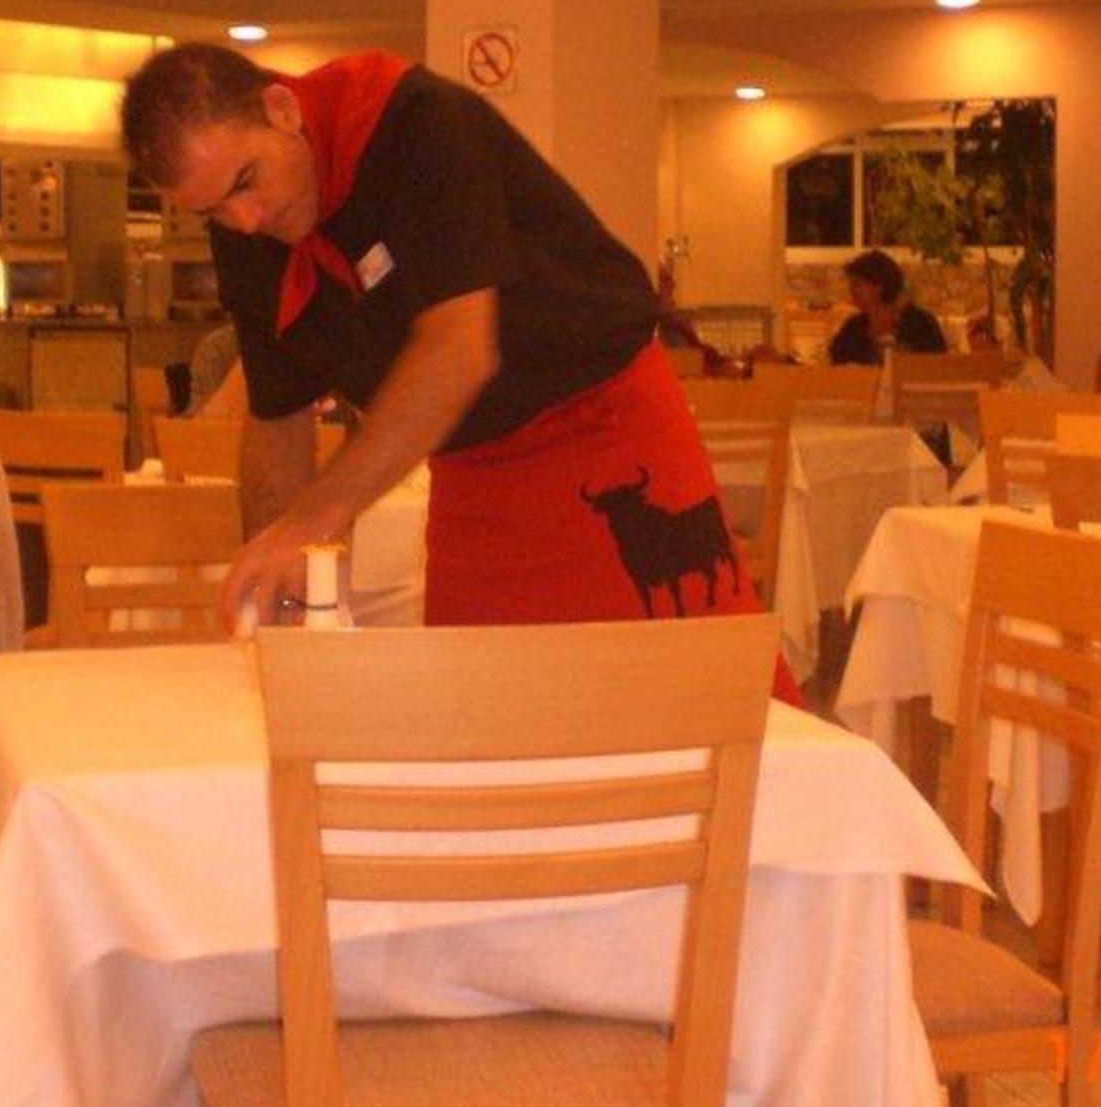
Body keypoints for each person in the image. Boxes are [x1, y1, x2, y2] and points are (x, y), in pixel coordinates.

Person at [119, 45, 795, 699]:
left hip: (607, 430)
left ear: (282, 109)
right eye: (213, 211)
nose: (245, 220)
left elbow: (459, 349)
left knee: (704, 694)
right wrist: (276, 596)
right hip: (472, 469)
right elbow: (278, 415)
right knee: (481, 709)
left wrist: (313, 520)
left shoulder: (414, 124)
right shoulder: (247, 230)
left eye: (246, 181)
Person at [827, 249, 948, 367]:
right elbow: (835, 365)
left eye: (857, 284)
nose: (851, 289)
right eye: (851, 284)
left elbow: (939, 367)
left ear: (879, 286)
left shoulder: (921, 323)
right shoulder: (854, 327)